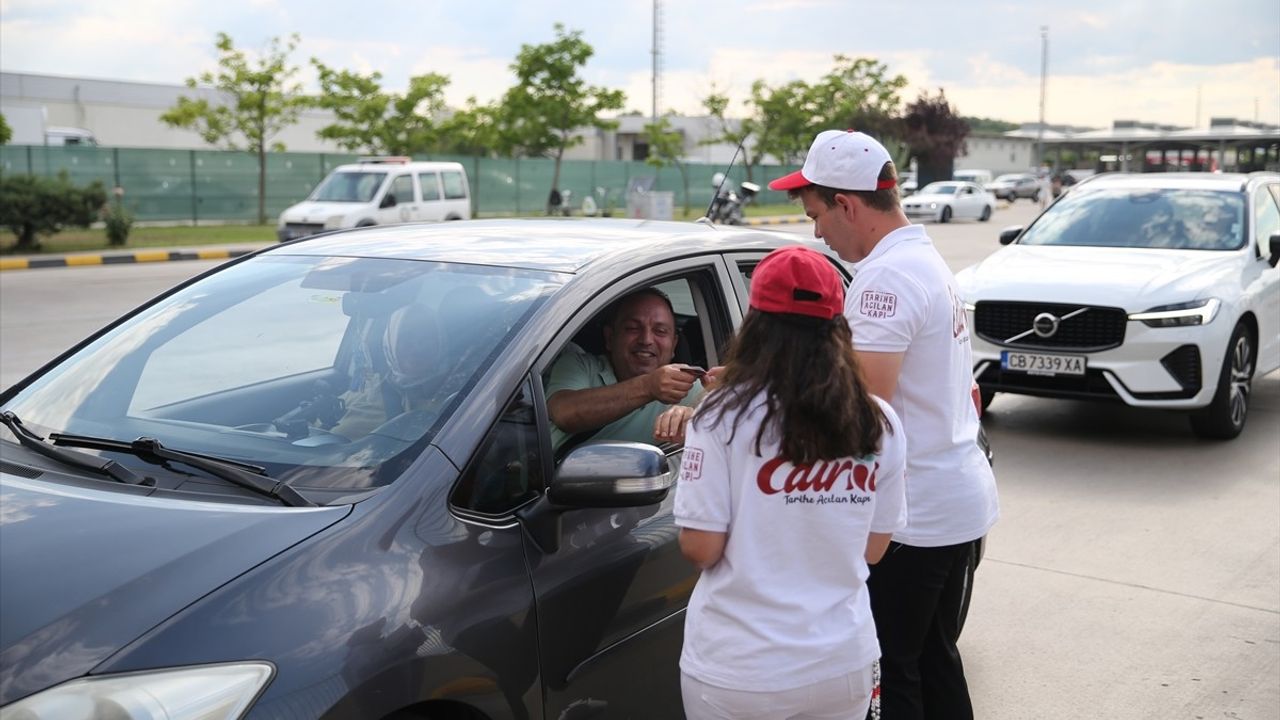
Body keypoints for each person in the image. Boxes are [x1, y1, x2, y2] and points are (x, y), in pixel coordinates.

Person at [769, 130, 999, 720]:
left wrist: (748, 399)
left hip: (912, 517)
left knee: (892, 671)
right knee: (933, 659)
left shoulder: (884, 280)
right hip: (953, 498)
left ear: (846, 203)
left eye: (816, 214)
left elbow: (861, 414)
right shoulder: (923, 258)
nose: (816, 232)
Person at [674, 245, 907, 720]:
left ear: (754, 325)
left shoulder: (721, 416)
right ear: (838, 327)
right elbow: (874, 549)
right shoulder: (877, 420)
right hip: (841, 662)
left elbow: (702, 547)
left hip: (740, 669)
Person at [545, 288, 704, 452]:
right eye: (632, 328)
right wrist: (648, 386)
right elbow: (565, 413)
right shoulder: (579, 365)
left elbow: (723, 421)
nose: (646, 340)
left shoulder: (688, 386)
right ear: (610, 337)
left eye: (660, 331)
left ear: (674, 345)